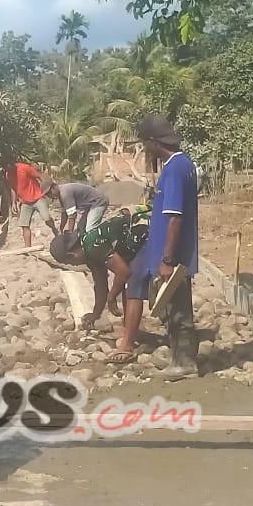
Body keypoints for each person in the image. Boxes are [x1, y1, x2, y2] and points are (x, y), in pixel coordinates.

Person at [129, 115, 200, 382]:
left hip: (173, 257)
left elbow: (175, 217)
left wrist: (167, 259)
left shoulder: (173, 169)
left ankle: (184, 363)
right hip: (174, 255)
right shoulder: (184, 164)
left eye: (145, 144)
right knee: (173, 307)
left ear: (153, 142)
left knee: (177, 309)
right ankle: (178, 358)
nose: (145, 150)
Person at [50, 205, 152, 363]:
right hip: (133, 245)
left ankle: (127, 344)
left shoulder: (92, 245)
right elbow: (100, 285)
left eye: (70, 262)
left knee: (132, 285)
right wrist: (95, 314)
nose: (74, 265)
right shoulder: (89, 255)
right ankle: (130, 331)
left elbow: (124, 272)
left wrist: (112, 297)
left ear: (72, 254)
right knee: (125, 285)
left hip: (148, 235)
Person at [3, 158, 59, 247]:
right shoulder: (8, 175)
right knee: (24, 225)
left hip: (37, 197)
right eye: (7, 169)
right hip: (25, 202)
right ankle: (27, 247)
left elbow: (39, 176)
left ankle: (55, 231)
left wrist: (46, 189)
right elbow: (13, 188)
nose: (10, 170)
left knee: (47, 218)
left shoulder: (24, 168)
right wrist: (13, 202)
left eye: (10, 167)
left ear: (12, 164)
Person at [43, 179, 110, 234]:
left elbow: (72, 215)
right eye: (47, 194)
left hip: (98, 202)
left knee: (90, 228)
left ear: (54, 186)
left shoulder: (65, 193)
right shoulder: (61, 194)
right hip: (90, 206)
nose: (49, 195)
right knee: (81, 228)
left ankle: (101, 243)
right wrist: (61, 227)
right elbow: (64, 213)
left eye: (49, 192)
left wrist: (70, 233)